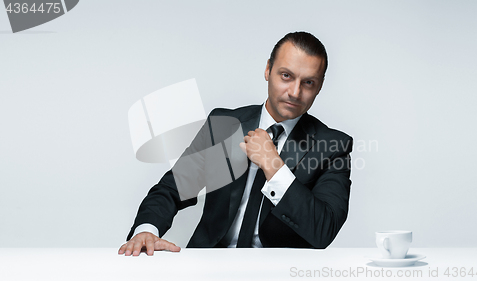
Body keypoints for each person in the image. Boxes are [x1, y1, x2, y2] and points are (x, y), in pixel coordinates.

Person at [119, 31, 353, 256]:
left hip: (280, 271)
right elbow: (173, 188)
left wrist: (274, 166)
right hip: (210, 265)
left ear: (319, 87)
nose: (294, 92)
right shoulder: (223, 125)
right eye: (286, 76)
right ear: (268, 70)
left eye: (308, 82)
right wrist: (146, 231)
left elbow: (324, 230)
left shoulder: (333, 146)